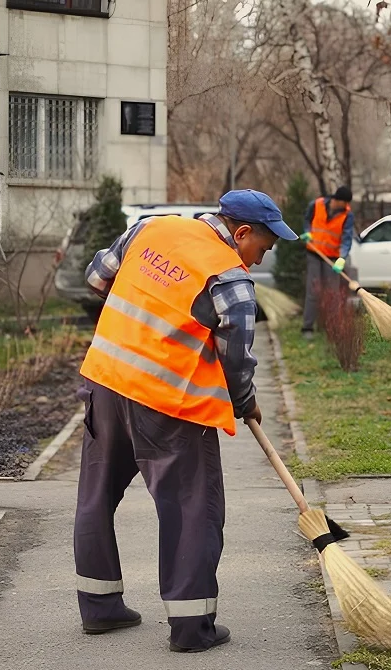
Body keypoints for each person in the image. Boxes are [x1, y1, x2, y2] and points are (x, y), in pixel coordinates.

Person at [73, 189, 297, 653]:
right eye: (263, 247)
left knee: (96, 496)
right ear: (241, 233)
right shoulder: (230, 278)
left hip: (107, 383)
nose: (260, 258)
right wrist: (244, 401)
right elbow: (236, 357)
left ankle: (100, 609)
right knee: (193, 509)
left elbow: (97, 279)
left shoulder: (151, 229)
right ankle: (192, 627)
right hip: (168, 405)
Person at [299, 186, 355, 338]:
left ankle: (331, 328)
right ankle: (307, 328)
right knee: (313, 290)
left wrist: (342, 258)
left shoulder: (347, 215)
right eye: (345, 203)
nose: (347, 206)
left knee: (332, 293)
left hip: (332, 257)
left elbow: (347, 238)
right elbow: (307, 221)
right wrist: (307, 233)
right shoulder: (316, 204)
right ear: (337, 200)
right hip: (314, 253)